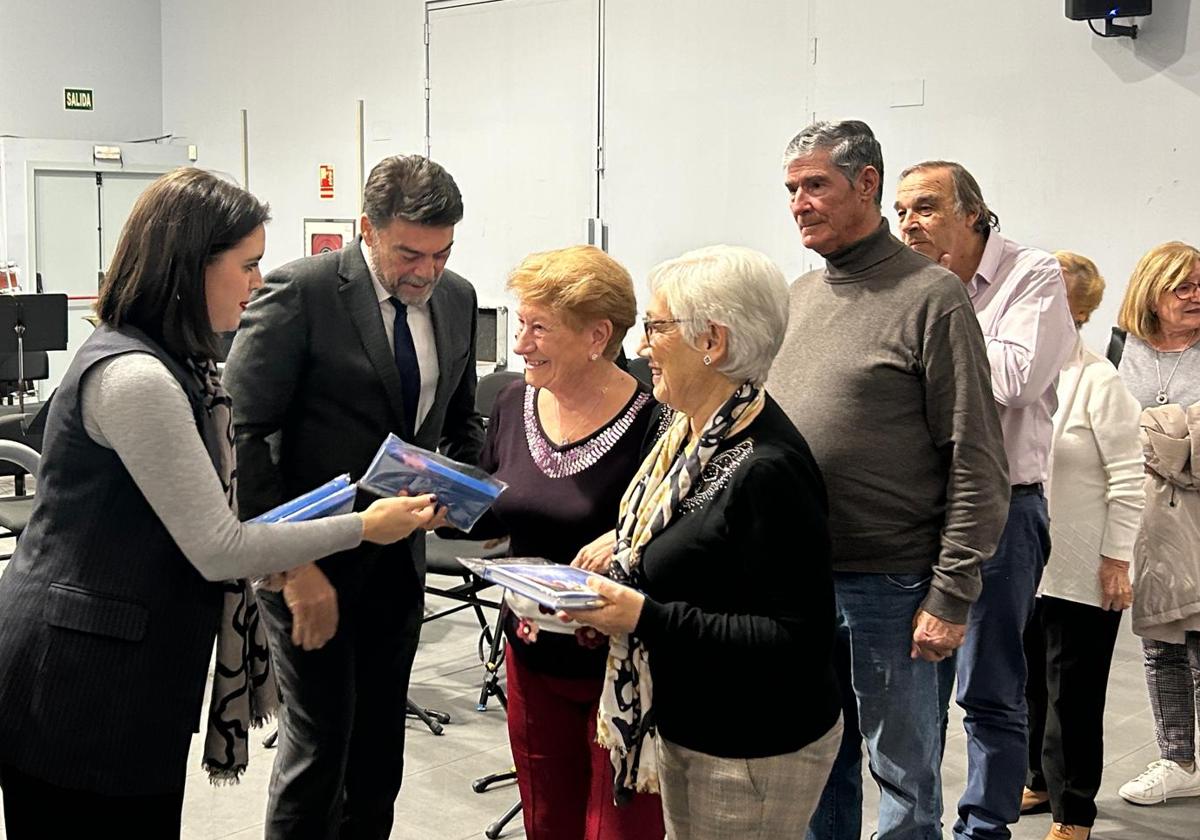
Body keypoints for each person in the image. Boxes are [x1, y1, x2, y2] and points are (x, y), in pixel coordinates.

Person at [0, 168, 438, 838]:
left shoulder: (179, 364)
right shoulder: (137, 377)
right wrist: (361, 527)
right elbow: (217, 546)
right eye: (248, 265)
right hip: (80, 676)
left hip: (129, 662)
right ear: (188, 267)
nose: (257, 283)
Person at [224, 154, 485, 839]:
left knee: (378, 759)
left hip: (399, 564)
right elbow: (245, 436)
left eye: (441, 253)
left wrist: (460, 478)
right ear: (366, 227)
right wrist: (291, 564)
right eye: (409, 253)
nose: (426, 271)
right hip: (313, 563)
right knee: (319, 754)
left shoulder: (455, 298)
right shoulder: (302, 292)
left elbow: (457, 422)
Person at [770, 120, 1009, 840]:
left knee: (902, 776)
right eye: (790, 189)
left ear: (867, 183)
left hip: (893, 587)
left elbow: (977, 458)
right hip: (802, 582)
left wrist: (952, 591)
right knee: (817, 767)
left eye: (816, 185)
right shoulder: (799, 295)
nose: (799, 204)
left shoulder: (932, 297)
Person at [566, 244, 842, 840]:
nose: (641, 347)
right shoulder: (688, 435)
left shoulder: (768, 467)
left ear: (712, 342)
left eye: (656, 328)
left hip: (752, 741)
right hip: (690, 718)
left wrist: (644, 615)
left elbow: (795, 636)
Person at [895, 160, 1076, 840]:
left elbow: (1016, 378)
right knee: (915, 691)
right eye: (902, 211)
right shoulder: (908, 282)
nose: (909, 222)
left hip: (1003, 508)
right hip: (916, 511)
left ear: (973, 213)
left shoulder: (1031, 275)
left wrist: (936, 314)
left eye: (926, 207)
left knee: (990, 688)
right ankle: (914, 826)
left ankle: (984, 829)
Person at [457, 244, 663, 840]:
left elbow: (682, 534)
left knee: (618, 830)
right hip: (529, 653)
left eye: (538, 328)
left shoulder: (658, 421)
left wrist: (624, 538)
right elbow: (498, 515)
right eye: (521, 324)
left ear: (597, 335)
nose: (518, 344)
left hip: (620, 667)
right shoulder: (509, 405)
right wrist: (439, 505)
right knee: (547, 821)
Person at [1020, 252, 1144, 840]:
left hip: (1082, 566)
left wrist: (1117, 560)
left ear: (1079, 309)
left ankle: (1074, 811)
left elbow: (1129, 478)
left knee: (1073, 694)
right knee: (1026, 683)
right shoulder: (1020, 375)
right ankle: (1037, 782)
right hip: (1025, 563)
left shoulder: (1099, 380)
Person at [1111, 241, 1200, 806]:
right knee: (1161, 640)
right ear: (1152, 291)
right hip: (1145, 518)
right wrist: (1178, 428)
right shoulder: (1125, 346)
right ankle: (1177, 760)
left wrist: (1160, 434)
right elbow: (1111, 429)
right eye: (1183, 287)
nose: (1196, 296)